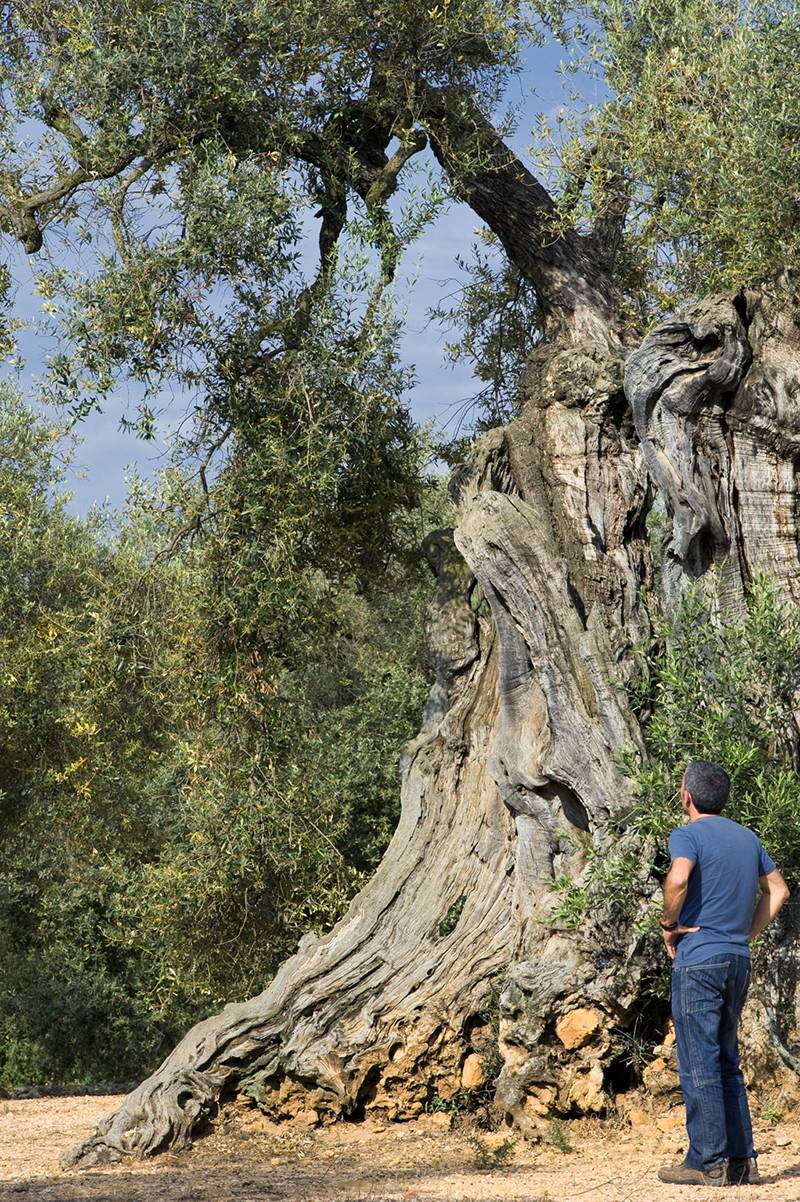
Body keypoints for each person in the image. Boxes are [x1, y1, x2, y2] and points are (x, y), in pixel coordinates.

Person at [657, 760, 789, 1188]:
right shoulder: (747, 837)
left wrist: (668, 926)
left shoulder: (688, 834)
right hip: (736, 958)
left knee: (698, 1059)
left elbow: (677, 880)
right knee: (727, 1059)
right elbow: (780, 889)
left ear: (687, 796)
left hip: (699, 959)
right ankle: (742, 1161)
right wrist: (745, 934)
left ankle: (706, 1161)